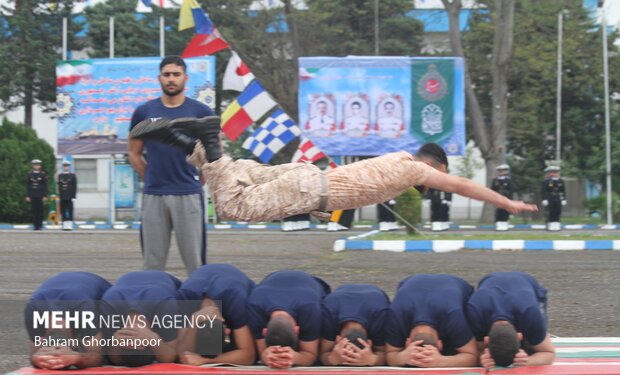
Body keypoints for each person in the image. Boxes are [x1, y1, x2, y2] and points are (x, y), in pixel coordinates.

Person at [129, 116, 538, 223]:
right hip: (311, 190)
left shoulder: (396, 157)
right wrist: (507, 202)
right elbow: (464, 184)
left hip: (309, 176)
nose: (430, 186)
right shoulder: (415, 170)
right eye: (437, 176)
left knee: (238, 173)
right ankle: (209, 140)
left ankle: (186, 143)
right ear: (433, 164)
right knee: (236, 206)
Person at [128, 55, 214, 275]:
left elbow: (214, 155)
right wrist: (150, 177)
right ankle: (152, 306)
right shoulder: (144, 112)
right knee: (152, 265)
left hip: (188, 195)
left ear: (185, 78)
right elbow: (134, 153)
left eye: (176, 74)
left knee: (195, 263)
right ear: (159, 78)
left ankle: (200, 308)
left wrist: (199, 179)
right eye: (166, 75)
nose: (171, 79)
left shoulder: (201, 113)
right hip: (154, 195)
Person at [385, 274, 478, 368]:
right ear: (440, 344)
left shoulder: (453, 316)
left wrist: (441, 361)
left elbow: (473, 357)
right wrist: (402, 357)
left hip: (456, 285)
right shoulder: (397, 313)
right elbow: (389, 354)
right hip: (415, 282)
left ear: (407, 342)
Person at [466, 272, 555, 368]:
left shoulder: (531, 313)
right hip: (490, 280)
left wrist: (528, 361)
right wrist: (482, 357)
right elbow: (477, 349)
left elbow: (548, 353)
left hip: (527, 284)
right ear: (486, 340)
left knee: (532, 348)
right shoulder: (474, 311)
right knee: (503, 348)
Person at [24, 271, 111, 369]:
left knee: (109, 354)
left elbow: (96, 357)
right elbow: (34, 354)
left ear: (74, 342)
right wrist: (37, 359)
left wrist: (77, 358)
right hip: (71, 283)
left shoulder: (85, 310)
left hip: (100, 288)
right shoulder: (32, 310)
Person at [176, 264, 256, 365]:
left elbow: (249, 356)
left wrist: (206, 360)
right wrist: (194, 320)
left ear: (227, 329)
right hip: (212, 282)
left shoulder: (236, 299)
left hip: (236, 286)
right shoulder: (185, 296)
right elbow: (181, 355)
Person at [247, 270, 330, 369]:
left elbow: (311, 355)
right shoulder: (254, 305)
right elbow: (262, 354)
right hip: (274, 282)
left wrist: (295, 358)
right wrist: (268, 357)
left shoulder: (310, 309)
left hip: (314, 284)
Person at [100, 270, 181, 367]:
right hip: (160, 280)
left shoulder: (108, 306)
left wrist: (115, 342)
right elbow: (170, 356)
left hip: (140, 279)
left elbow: (113, 358)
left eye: (129, 339)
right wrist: (153, 337)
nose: (133, 335)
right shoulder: (166, 305)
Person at [320, 284, 390, 366]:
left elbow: (386, 354)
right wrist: (332, 358)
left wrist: (371, 359)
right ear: (337, 339)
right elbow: (322, 353)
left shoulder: (382, 315)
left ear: (370, 343)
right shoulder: (328, 312)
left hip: (376, 297)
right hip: (339, 295)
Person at [541, 165, 566, 231]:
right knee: (550, 211)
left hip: (558, 198)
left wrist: (564, 199)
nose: (553, 174)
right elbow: (544, 191)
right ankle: (550, 224)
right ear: (549, 173)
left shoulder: (560, 181)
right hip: (550, 198)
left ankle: (557, 224)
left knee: (557, 211)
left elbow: (563, 191)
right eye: (551, 172)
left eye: (555, 172)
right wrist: (544, 199)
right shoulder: (546, 181)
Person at [26, 159, 48, 231]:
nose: (36, 166)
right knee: (34, 210)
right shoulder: (30, 174)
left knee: (40, 210)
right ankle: (35, 225)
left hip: (40, 195)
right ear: (33, 166)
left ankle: (40, 225)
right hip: (33, 194)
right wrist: (28, 195)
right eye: (35, 165)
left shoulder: (42, 174)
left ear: (40, 166)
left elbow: (45, 185)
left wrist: (45, 195)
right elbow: (28, 185)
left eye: (38, 165)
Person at [491, 164, 512, 231]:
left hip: (506, 198)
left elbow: (511, 190)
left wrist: (510, 199)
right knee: (499, 211)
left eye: (503, 171)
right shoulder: (495, 180)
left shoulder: (508, 180)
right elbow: (492, 190)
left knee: (505, 211)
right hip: (498, 198)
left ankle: (505, 223)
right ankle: (499, 224)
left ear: (506, 172)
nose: (501, 172)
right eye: (499, 171)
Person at [57, 160, 77, 231]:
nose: (66, 167)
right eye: (65, 166)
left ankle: (70, 225)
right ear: (63, 167)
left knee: (70, 210)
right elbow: (59, 187)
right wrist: (59, 196)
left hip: (69, 196)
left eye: (67, 166)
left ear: (69, 167)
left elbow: (74, 187)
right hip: (62, 196)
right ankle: (65, 225)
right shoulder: (60, 176)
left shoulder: (72, 175)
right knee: (63, 211)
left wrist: (74, 197)